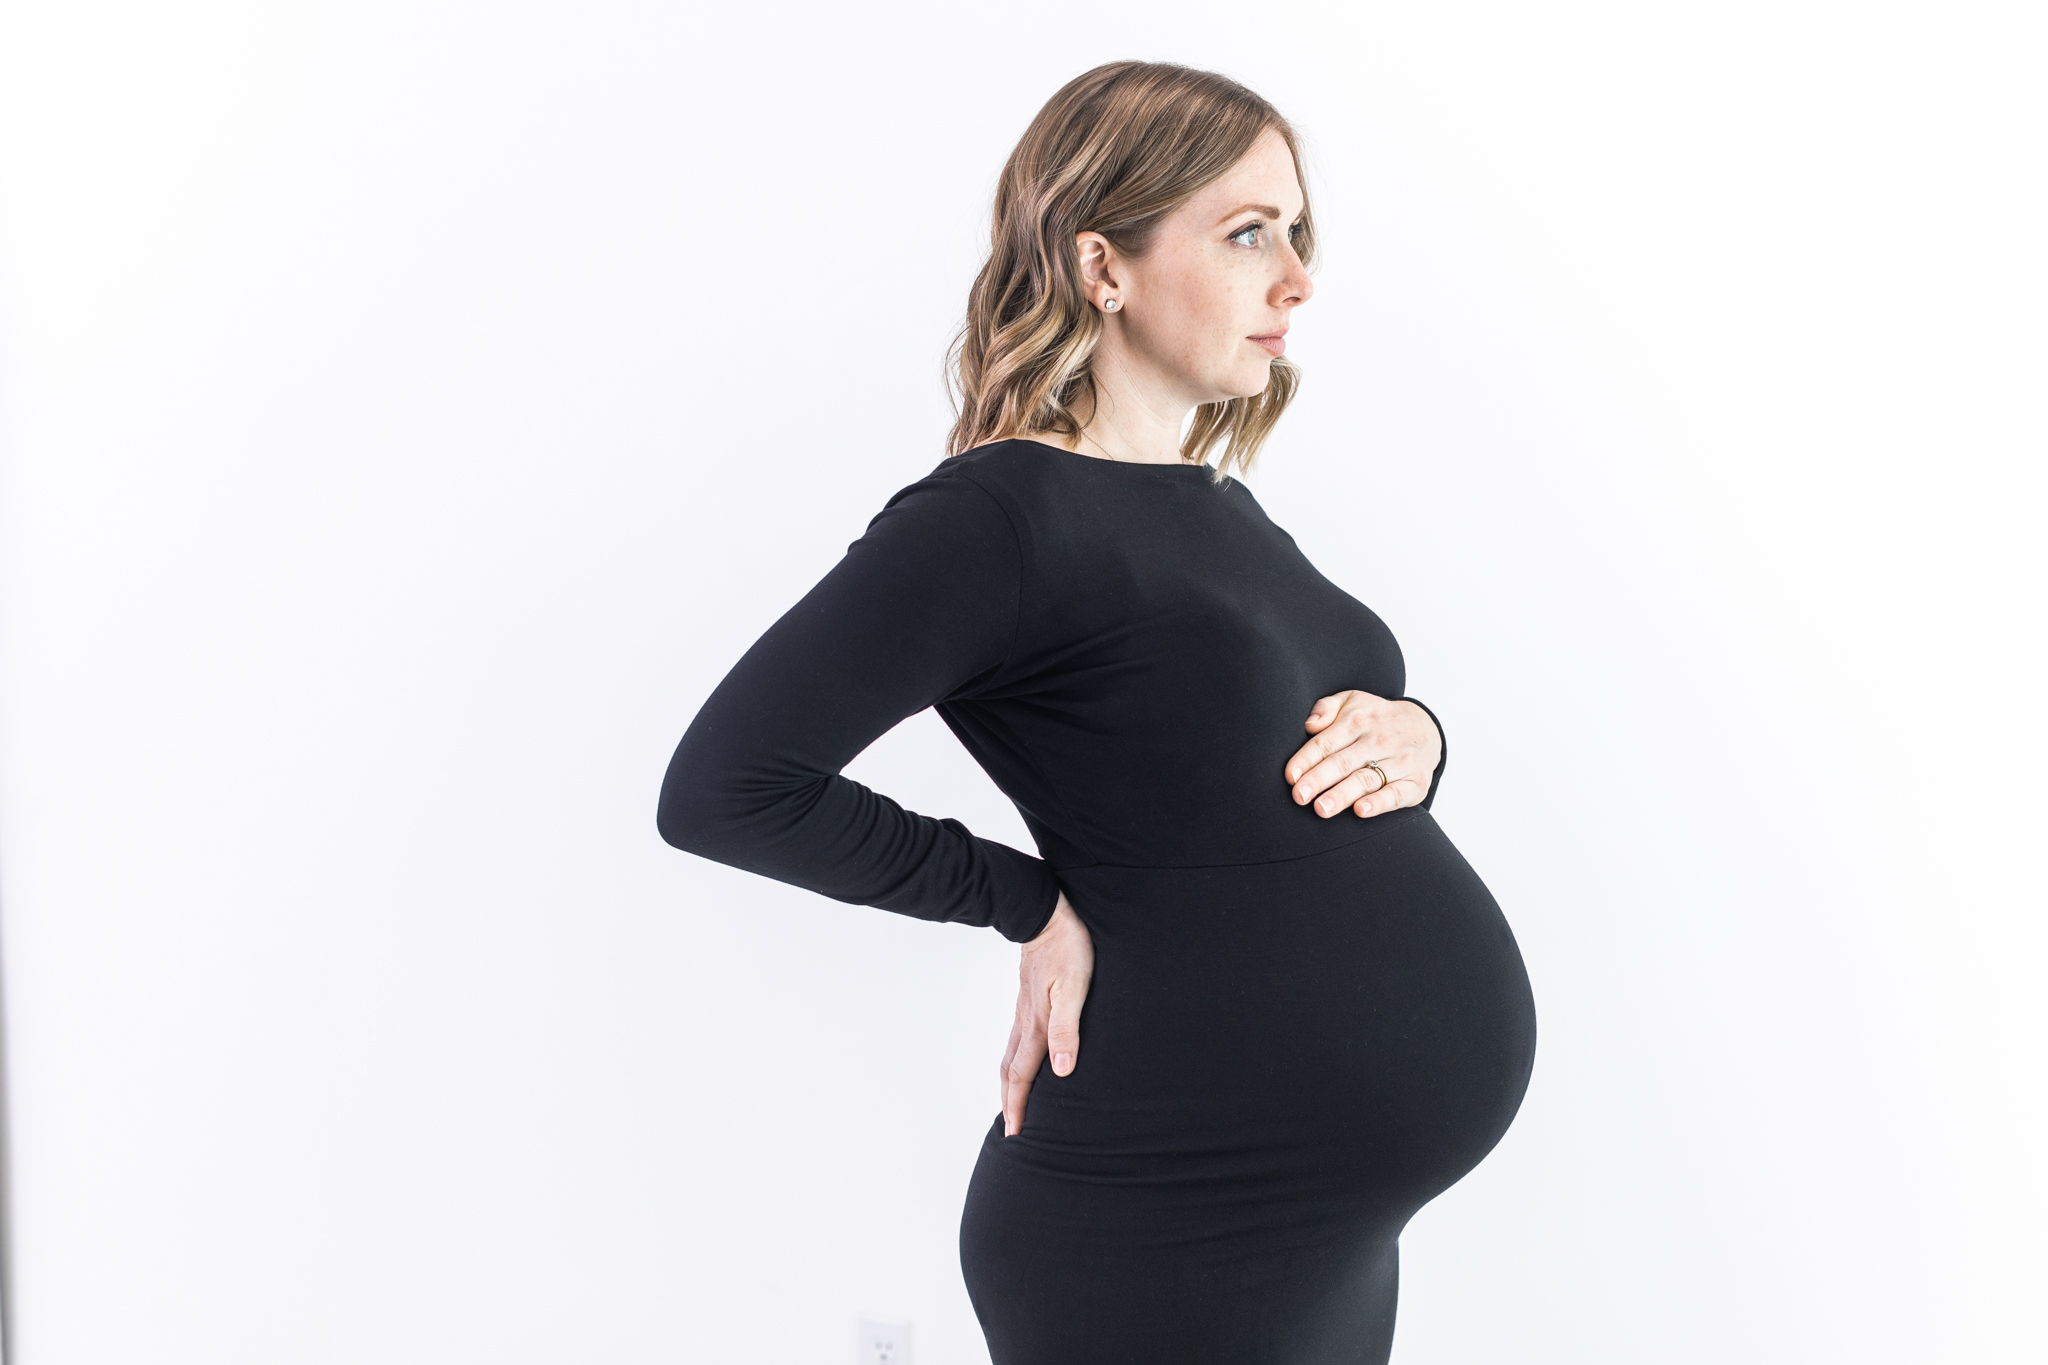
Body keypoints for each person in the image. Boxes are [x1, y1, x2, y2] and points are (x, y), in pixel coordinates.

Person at [658, 60, 1536, 1365]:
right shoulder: (992, 524)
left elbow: (1259, 759)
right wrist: (1023, 898)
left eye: (1298, 233)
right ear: (1101, 265)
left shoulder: (1218, 503)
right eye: (1248, 234)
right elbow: (725, 785)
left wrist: (1424, 737)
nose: (1295, 276)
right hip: (1160, 1226)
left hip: (1325, 1232)